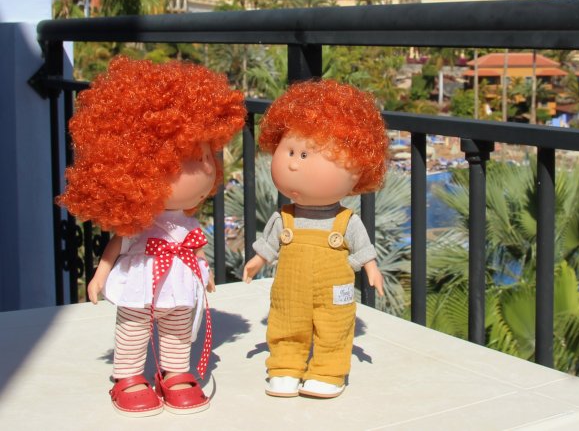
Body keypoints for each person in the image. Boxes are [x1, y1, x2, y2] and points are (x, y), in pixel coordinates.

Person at [58, 57, 245, 417]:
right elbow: (117, 244)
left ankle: (175, 373)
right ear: (139, 166)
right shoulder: (139, 223)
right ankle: (128, 376)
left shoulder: (187, 223)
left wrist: (204, 273)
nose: (208, 167)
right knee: (133, 328)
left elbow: (195, 248)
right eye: (194, 158)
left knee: (178, 330)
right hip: (139, 282)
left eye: (209, 154)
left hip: (180, 285)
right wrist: (100, 276)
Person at [243, 78, 389, 399]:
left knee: (334, 328)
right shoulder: (284, 217)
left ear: (358, 169)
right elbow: (269, 244)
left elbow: (363, 247)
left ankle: (328, 372)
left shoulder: (346, 221)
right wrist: (257, 260)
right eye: (290, 151)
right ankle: (284, 367)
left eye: (306, 155)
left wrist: (371, 268)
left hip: (334, 290)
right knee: (285, 322)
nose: (294, 163)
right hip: (289, 289)